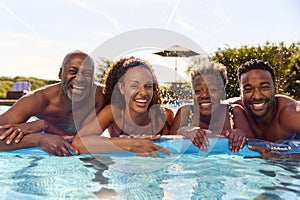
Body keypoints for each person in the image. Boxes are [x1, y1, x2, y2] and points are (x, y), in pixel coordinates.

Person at [0, 50, 105, 156]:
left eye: (87, 74)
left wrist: (45, 126)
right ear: (61, 74)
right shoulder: (37, 100)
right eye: (73, 71)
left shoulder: (101, 96)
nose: (80, 79)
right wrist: (38, 139)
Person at [72, 57, 174, 157]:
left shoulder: (163, 116)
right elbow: (79, 143)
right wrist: (130, 144)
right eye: (134, 85)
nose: (143, 92)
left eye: (148, 86)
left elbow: (176, 151)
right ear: (121, 88)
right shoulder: (114, 112)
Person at [169, 61, 254, 152]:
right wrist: (183, 131)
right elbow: (168, 149)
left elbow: (255, 147)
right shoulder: (185, 113)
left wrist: (241, 134)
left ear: (222, 93)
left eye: (212, 90)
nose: (205, 95)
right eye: (197, 91)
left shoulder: (234, 113)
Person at [237, 59, 300, 142]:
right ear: (241, 93)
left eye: (264, 87)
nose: (257, 96)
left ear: (275, 89)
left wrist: (272, 154)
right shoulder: (234, 110)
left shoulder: (292, 114)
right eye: (248, 89)